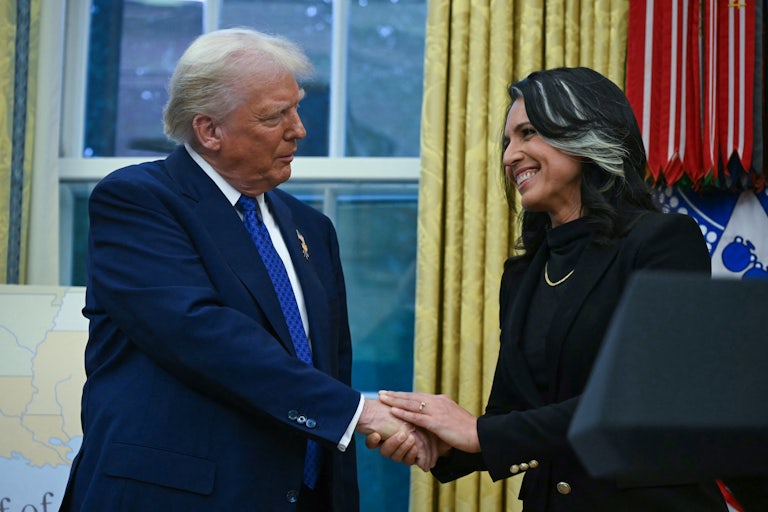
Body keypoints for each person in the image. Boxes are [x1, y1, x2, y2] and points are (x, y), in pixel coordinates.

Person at [60, 28, 434, 511]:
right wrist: (359, 413)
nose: (299, 129)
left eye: (297, 107)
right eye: (274, 115)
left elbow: (329, 369)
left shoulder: (311, 228)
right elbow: (200, 334)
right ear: (209, 130)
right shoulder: (139, 201)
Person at [368, 67, 728, 511]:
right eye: (507, 142)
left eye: (528, 133)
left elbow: (647, 395)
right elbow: (513, 414)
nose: (509, 156)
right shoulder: (523, 274)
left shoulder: (663, 242)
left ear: (586, 134)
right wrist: (442, 444)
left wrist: (479, 433)